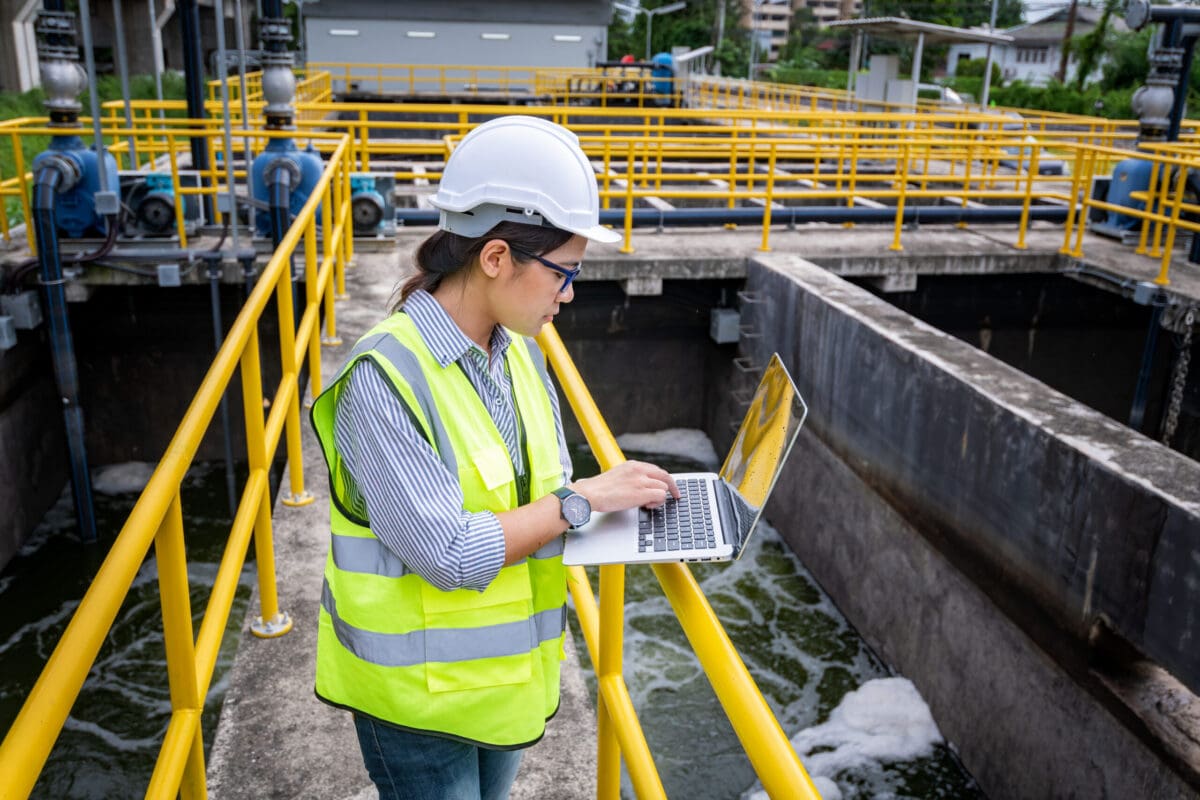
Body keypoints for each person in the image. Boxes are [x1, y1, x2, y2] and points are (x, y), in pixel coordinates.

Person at [309, 115, 680, 800]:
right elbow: (450, 554)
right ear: (496, 257)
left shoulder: (519, 357)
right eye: (564, 273)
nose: (570, 294)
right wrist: (584, 501)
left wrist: (619, 515)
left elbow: (535, 499)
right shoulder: (384, 377)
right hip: (415, 705)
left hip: (502, 686)